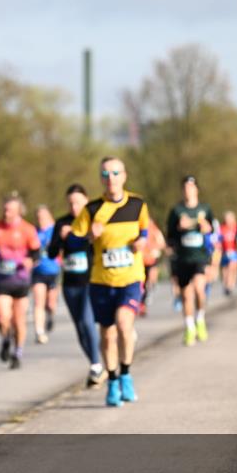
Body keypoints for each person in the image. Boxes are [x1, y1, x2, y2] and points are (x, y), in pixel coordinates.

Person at [70, 157, 149, 407]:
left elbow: (144, 230)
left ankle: (126, 374)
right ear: (101, 178)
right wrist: (89, 239)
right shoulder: (92, 210)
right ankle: (113, 380)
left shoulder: (137, 204)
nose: (111, 178)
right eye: (105, 174)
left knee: (125, 325)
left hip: (131, 278)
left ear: (124, 176)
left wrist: (141, 242)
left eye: (115, 173)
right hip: (101, 281)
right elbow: (72, 243)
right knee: (107, 335)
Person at [47, 184, 104, 386]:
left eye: (78, 202)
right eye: (70, 203)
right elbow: (51, 253)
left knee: (88, 321)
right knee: (79, 326)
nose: (74, 207)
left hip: (91, 279)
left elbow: (100, 246)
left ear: (86, 201)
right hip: (71, 282)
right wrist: (61, 239)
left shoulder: (93, 221)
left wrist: (81, 234)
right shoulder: (62, 223)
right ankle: (95, 364)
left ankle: (97, 364)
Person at [0, 196, 41, 369]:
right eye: (4, 208)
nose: (5, 212)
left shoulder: (28, 229)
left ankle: (18, 352)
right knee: (2, 318)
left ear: (18, 211)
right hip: (1, 279)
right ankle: (6, 339)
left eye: (9, 209)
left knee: (18, 320)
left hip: (21, 280)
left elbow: (36, 252)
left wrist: (31, 261)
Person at [166, 175, 214, 347]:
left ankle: (200, 319)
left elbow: (212, 230)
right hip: (183, 258)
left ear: (196, 189)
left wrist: (205, 228)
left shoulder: (205, 209)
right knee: (186, 295)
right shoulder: (176, 211)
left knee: (200, 290)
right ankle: (189, 327)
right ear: (182, 190)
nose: (188, 190)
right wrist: (179, 228)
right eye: (185, 187)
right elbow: (170, 236)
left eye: (191, 187)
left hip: (200, 257)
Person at [31, 205, 62, 345]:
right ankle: (39, 331)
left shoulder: (55, 230)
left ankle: (50, 314)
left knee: (50, 304)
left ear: (49, 217)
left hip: (53, 271)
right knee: (38, 302)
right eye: (38, 217)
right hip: (38, 272)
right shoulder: (33, 232)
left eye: (43, 217)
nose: (41, 220)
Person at [140, 217, 167, 315]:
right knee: (140, 282)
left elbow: (161, 242)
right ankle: (141, 302)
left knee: (148, 281)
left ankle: (145, 300)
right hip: (139, 260)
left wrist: (154, 249)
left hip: (150, 259)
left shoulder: (153, 228)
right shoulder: (135, 227)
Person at [219, 211, 237, 295]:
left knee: (232, 267)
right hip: (224, 252)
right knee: (225, 269)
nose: (228, 220)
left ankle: (230, 285)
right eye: (226, 219)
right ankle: (226, 284)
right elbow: (218, 239)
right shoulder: (221, 228)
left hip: (234, 251)